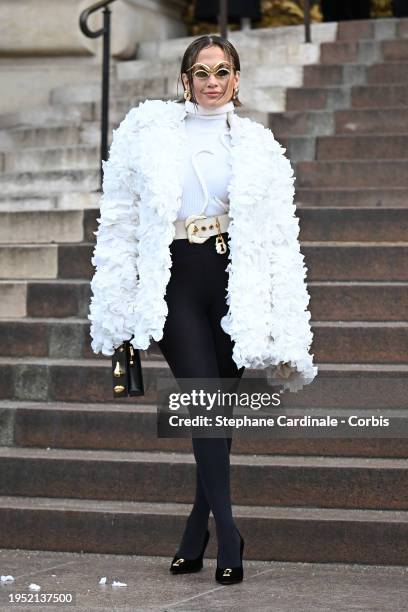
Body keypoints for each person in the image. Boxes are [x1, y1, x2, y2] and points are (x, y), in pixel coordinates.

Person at [88, 35, 317, 585]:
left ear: (237, 79)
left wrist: (285, 324)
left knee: (215, 410)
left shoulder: (260, 144)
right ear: (184, 79)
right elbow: (119, 220)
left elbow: (281, 238)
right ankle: (230, 532)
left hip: (232, 282)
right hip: (175, 280)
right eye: (200, 72)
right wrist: (116, 310)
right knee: (202, 398)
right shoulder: (146, 132)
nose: (211, 82)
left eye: (222, 71)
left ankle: (198, 522)